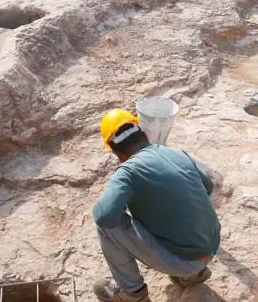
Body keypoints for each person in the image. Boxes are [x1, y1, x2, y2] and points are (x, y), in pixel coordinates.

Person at [92, 109, 220, 302]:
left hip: (184, 261)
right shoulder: (176, 153)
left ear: (116, 152)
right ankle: (193, 275)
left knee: (107, 227)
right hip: (211, 247)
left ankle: (133, 294)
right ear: (144, 134)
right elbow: (208, 187)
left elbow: (104, 217)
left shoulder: (127, 172)